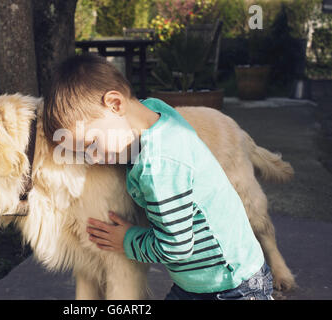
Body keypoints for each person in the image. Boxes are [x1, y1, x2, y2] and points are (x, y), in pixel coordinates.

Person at [42, 54, 274, 300]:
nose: (94, 158)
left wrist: (127, 240)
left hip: (231, 287)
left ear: (115, 104)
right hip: (199, 282)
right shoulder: (154, 111)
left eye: (92, 144)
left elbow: (177, 248)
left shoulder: (159, 167)